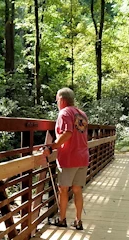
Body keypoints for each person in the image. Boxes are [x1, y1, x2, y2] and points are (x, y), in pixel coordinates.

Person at [43, 87, 89, 230]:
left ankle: (62, 219)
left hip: (69, 157)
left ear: (62, 100)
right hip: (83, 157)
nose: (57, 103)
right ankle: (78, 221)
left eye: (57, 100)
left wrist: (52, 147)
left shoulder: (64, 113)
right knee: (77, 189)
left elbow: (67, 133)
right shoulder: (82, 114)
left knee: (63, 189)